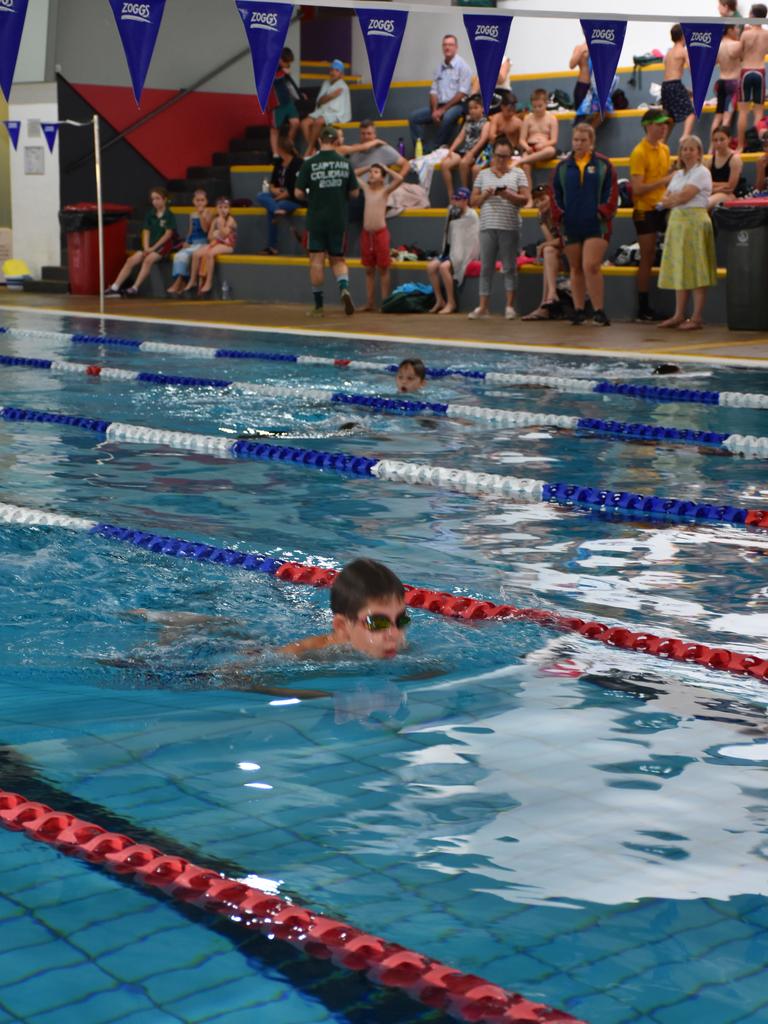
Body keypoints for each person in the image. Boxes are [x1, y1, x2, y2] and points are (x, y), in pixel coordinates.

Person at [552, 122, 618, 327]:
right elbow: (555, 195)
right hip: (571, 224)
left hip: (596, 225)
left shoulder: (603, 165)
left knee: (591, 265)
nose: (578, 144)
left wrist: (602, 213)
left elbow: (612, 193)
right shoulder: (562, 167)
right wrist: (561, 216)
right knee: (575, 267)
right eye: (575, 140)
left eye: (583, 140)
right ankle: (579, 309)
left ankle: (599, 310)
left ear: (592, 142)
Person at [279, 559, 410, 660]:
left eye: (401, 621)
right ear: (342, 626)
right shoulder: (303, 656)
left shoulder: (400, 647)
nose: (395, 634)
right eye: (378, 623)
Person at [294, 126, 359, 317]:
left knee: (316, 260)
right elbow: (355, 192)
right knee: (338, 259)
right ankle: (344, 288)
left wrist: (312, 196)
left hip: (316, 219)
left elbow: (298, 192)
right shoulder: (345, 164)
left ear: (320, 141)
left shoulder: (309, 164)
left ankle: (319, 306)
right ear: (336, 141)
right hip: (338, 218)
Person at [656, 134, 717, 330]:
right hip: (677, 222)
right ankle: (678, 314)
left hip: (694, 222)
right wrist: (671, 200)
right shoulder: (678, 175)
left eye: (692, 149)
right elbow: (666, 198)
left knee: (696, 268)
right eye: (684, 149)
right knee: (679, 267)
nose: (687, 153)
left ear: (699, 153)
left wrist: (671, 200)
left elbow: (683, 196)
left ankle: (696, 316)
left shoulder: (702, 173)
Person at [469, 137, 529, 320]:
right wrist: (486, 195)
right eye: (498, 156)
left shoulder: (519, 173)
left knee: (509, 267)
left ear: (511, 156)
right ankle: (483, 307)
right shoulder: (482, 174)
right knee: (486, 267)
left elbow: (525, 199)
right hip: (487, 225)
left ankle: (509, 306)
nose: (502, 160)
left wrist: (508, 195)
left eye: (505, 156)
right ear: (493, 155)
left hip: (509, 225)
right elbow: (473, 202)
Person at [629, 108, 674, 322]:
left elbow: (665, 178)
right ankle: (643, 306)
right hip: (644, 209)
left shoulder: (664, 149)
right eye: (659, 124)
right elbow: (637, 189)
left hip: (662, 206)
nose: (663, 127)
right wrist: (665, 181)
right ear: (648, 126)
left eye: (665, 124)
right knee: (647, 256)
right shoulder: (639, 152)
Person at [105, 187, 177, 297]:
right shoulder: (150, 214)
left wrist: (152, 249)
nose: (155, 202)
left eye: (158, 198)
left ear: (164, 199)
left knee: (148, 260)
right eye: (153, 199)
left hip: (163, 246)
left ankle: (135, 288)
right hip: (150, 245)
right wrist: (146, 247)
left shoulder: (169, 215)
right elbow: (146, 232)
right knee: (131, 259)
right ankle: (115, 287)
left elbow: (167, 235)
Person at [408, 34, 472, 152]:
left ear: (456, 47)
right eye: (445, 45)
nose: (447, 47)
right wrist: (435, 110)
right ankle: (421, 149)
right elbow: (433, 92)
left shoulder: (463, 67)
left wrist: (442, 111)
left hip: (458, 105)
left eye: (450, 45)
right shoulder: (439, 68)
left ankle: (437, 148)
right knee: (414, 117)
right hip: (440, 106)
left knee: (447, 117)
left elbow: (462, 93)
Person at [355, 163, 404, 310]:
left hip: (380, 234)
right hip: (366, 234)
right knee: (369, 269)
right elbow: (353, 173)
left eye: (376, 172)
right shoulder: (366, 189)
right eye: (371, 172)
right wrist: (368, 167)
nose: (371, 174)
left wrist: (386, 169)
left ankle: (384, 302)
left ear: (383, 178)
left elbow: (400, 178)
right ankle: (370, 303)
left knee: (383, 269)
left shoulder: (384, 191)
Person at [426, 186, 480, 314]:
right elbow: (449, 234)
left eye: (458, 199)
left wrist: (461, 256)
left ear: (466, 200)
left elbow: (473, 240)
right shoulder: (452, 211)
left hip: (465, 253)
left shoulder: (471, 215)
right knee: (431, 267)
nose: (455, 201)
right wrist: (446, 253)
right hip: (451, 251)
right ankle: (440, 300)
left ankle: (451, 302)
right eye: (454, 198)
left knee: (444, 267)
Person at [521, 185, 564, 321]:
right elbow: (551, 241)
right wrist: (542, 221)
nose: (540, 203)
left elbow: (566, 240)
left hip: (574, 252)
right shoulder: (543, 215)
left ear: (551, 197)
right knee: (548, 251)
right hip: (557, 252)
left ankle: (546, 302)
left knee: (547, 249)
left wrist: (544, 245)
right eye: (537, 201)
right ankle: (548, 300)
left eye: (543, 199)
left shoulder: (562, 211)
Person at [256, 135, 303, 255]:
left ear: (281, 149)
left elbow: (293, 190)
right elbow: (272, 184)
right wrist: (273, 190)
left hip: (294, 199)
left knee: (276, 207)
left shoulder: (298, 163)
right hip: (278, 195)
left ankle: (272, 246)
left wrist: (275, 200)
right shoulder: (278, 163)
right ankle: (276, 209)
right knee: (260, 195)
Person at [187, 196, 237, 298]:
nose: (223, 210)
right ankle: (193, 280)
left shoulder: (230, 220)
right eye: (220, 207)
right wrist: (215, 232)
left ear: (229, 209)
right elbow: (209, 237)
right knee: (196, 254)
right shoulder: (215, 220)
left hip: (227, 245)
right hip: (216, 243)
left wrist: (219, 226)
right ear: (216, 208)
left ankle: (208, 282)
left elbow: (224, 234)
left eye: (226, 207)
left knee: (210, 254)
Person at [440, 94, 490, 196]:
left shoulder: (486, 123)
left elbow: (483, 140)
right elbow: (460, 137)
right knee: (444, 164)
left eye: (476, 108)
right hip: (465, 151)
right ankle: (451, 194)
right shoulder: (468, 122)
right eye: (470, 108)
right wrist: (451, 150)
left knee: (463, 163)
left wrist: (472, 153)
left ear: (482, 108)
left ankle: (465, 190)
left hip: (478, 152)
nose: (472, 111)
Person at [166, 189, 212, 296]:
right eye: (197, 200)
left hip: (203, 243)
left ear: (206, 201)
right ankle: (181, 281)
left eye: (202, 200)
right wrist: (186, 241)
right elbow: (190, 231)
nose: (200, 203)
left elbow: (205, 230)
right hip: (193, 243)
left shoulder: (208, 212)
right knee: (179, 255)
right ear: (193, 201)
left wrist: (201, 215)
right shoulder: (192, 214)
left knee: (183, 255)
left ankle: (179, 282)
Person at [301, 59, 352, 154]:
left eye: (336, 70)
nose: (333, 72)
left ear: (341, 74)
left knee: (318, 121)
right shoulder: (326, 83)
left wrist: (326, 98)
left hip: (336, 114)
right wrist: (330, 96)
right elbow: (320, 101)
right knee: (304, 123)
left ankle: (309, 150)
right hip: (322, 111)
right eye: (332, 70)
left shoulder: (343, 87)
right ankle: (313, 149)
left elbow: (336, 108)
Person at [513, 88, 559, 194]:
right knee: (526, 166)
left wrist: (543, 145)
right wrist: (527, 147)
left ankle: (521, 160)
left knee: (551, 150)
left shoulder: (552, 118)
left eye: (540, 106)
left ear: (546, 103)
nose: (537, 109)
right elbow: (522, 139)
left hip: (545, 148)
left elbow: (554, 140)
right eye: (534, 107)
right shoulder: (528, 118)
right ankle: (528, 197)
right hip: (530, 148)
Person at [737, 5, 768, 150]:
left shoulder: (745, 34)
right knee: (758, 111)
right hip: (760, 71)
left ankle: (741, 145)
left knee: (743, 111)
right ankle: (757, 145)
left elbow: (740, 53)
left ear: (752, 15)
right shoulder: (766, 34)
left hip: (746, 70)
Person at [338, 119, 411, 177]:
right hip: (358, 192)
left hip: (378, 192)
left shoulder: (384, 149)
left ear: (375, 135)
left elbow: (406, 164)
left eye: (369, 133)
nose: (366, 137)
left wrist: (397, 181)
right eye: (363, 134)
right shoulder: (354, 150)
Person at [661, 26, 696, 141]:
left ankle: (662, 142)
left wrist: (685, 91)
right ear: (682, 37)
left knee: (669, 118)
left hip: (665, 86)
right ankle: (684, 138)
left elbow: (669, 74)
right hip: (675, 84)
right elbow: (692, 69)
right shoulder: (682, 50)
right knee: (690, 113)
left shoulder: (668, 53)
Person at [269, 47, 304, 155]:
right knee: (275, 130)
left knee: (295, 122)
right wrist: (283, 73)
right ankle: (275, 154)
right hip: (276, 103)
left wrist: (299, 94)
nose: (288, 64)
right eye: (286, 62)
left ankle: (287, 144)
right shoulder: (271, 66)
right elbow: (270, 79)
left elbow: (290, 83)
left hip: (287, 101)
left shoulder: (284, 69)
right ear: (280, 59)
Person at [712, 25, 742, 140]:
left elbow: (713, 63)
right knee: (726, 118)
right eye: (736, 28)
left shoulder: (717, 46)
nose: (738, 30)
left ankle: (711, 148)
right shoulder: (736, 45)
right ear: (730, 30)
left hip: (721, 83)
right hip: (733, 84)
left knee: (717, 117)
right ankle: (722, 146)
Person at [707, 126, 744, 206]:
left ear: (729, 140)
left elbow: (730, 187)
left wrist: (712, 187)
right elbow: (706, 183)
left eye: (722, 139)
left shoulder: (735, 160)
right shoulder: (710, 161)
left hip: (731, 195)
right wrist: (722, 186)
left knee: (707, 203)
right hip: (715, 192)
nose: (718, 143)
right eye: (715, 140)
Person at [569, 39, 591, 112]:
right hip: (583, 85)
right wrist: (581, 51)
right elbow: (571, 65)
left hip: (597, 87)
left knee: (601, 113)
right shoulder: (580, 48)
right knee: (581, 116)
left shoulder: (601, 47)